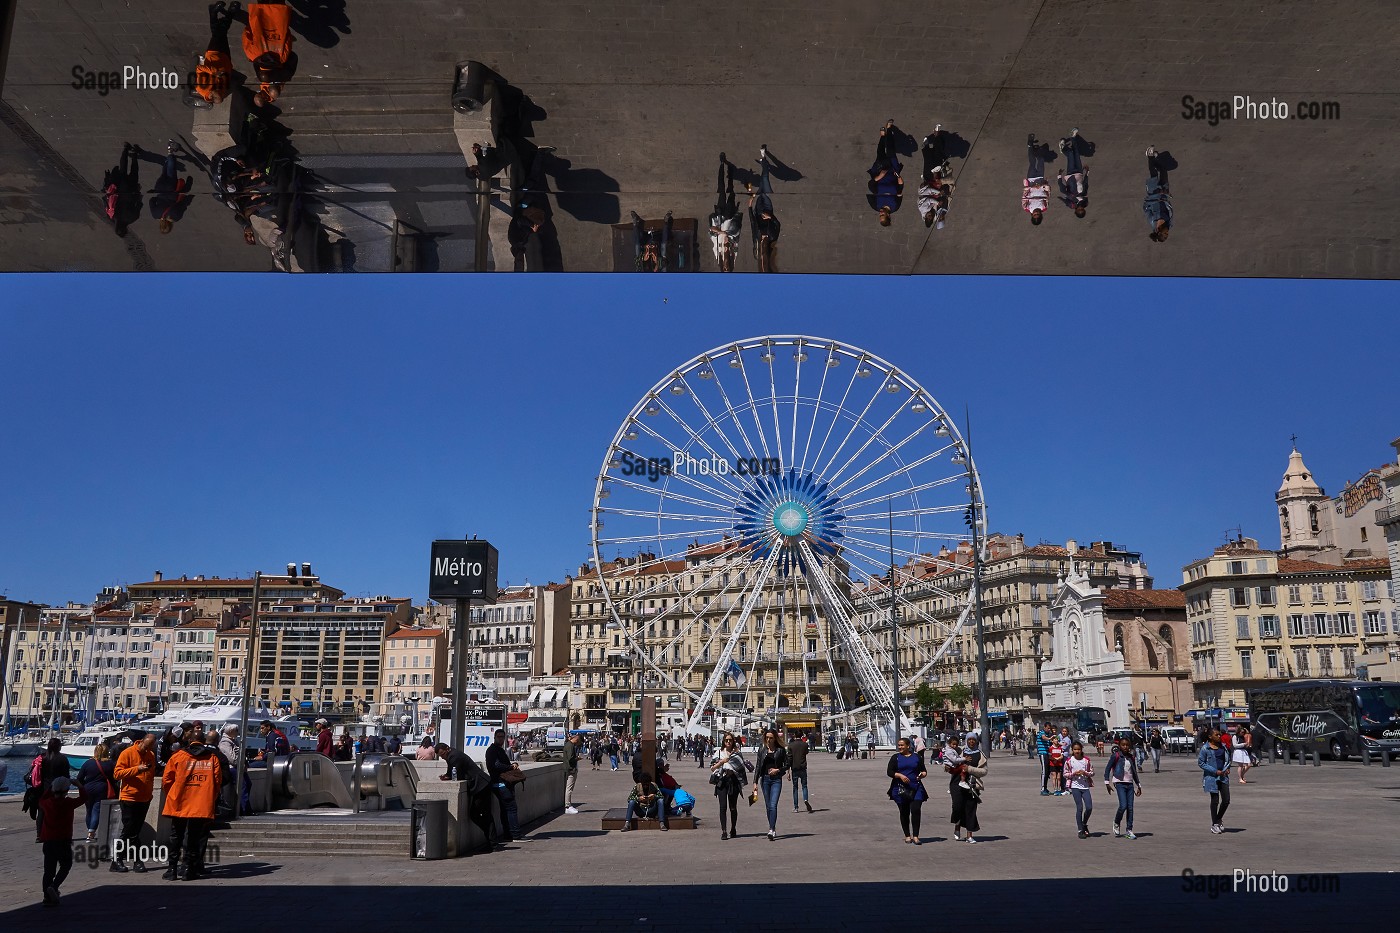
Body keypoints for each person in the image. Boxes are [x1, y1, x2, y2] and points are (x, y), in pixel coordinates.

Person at [161, 725, 222, 881]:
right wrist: (209, 796)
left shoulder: (178, 756)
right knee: (194, 838)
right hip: (201, 803)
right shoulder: (212, 757)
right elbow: (217, 781)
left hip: (180, 801)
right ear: (203, 742)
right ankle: (188, 869)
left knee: (176, 837)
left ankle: (172, 869)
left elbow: (167, 780)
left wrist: (174, 793)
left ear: (189, 740)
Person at [110, 732, 156, 873]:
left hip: (144, 798)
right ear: (141, 741)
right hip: (129, 797)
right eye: (146, 746)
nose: (146, 750)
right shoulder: (127, 753)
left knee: (134, 830)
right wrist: (137, 769)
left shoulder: (151, 755)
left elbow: (151, 775)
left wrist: (149, 793)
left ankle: (128, 860)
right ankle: (127, 860)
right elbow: (117, 774)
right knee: (130, 830)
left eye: (150, 747)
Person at [38, 776, 86, 907]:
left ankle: (46, 897)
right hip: (63, 840)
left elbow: (41, 799)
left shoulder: (47, 803)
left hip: (48, 840)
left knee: (48, 870)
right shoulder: (68, 803)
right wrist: (79, 785)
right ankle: (54, 886)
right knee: (66, 865)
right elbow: (84, 798)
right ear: (67, 790)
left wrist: (50, 787)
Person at [242, 0, 295, 106]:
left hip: (278, 14)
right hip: (261, 14)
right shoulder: (252, 54)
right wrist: (253, 27)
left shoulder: (281, 58)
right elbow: (246, 34)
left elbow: (288, 40)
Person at [191, 2, 238, 106]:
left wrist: (214, 72)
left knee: (218, 33)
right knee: (221, 33)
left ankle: (223, 12)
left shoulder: (201, 87)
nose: (220, 90)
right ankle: (216, 12)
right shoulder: (221, 92)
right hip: (225, 58)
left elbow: (199, 68)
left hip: (213, 55)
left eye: (218, 92)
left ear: (211, 95)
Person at [887, 737, 928, 844]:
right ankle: (907, 835)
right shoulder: (895, 757)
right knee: (904, 812)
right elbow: (890, 772)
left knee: (915, 810)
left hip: (916, 787)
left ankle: (916, 836)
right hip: (900, 788)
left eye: (902, 745)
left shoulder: (917, 757)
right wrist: (900, 775)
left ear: (908, 746)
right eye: (899, 745)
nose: (900, 747)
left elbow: (923, 771)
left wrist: (922, 775)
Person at [485, 729, 523, 843]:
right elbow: (496, 765)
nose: (501, 739)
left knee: (505, 809)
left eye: (502, 737)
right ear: (494, 737)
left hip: (499, 783)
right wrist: (510, 767)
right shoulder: (492, 750)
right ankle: (515, 834)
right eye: (499, 737)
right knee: (511, 808)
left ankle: (508, 834)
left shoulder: (498, 750)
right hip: (500, 783)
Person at [752, 728, 789, 841]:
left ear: (775, 738)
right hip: (765, 780)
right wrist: (755, 782)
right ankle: (772, 828)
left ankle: (771, 830)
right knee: (768, 806)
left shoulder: (780, 750)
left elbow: (787, 765)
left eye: (771, 738)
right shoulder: (762, 750)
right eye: (767, 738)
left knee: (773, 805)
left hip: (776, 780)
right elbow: (758, 766)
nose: (768, 740)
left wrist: (777, 770)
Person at [748, 145, 780, 272]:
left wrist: (750, 205)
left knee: (763, 183)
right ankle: (764, 159)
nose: (763, 244)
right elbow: (778, 224)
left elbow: (752, 222)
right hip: (767, 207)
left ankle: (764, 163)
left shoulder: (757, 235)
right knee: (764, 183)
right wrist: (770, 217)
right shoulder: (773, 236)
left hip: (758, 208)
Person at [709, 153, 743, 271]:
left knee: (722, 191)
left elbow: (711, 231)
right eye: (728, 268)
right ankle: (731, 175)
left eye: (724, 269)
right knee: (731, 193)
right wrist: (729, 235)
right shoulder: (734, 254)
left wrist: (721, 232)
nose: (726, 267)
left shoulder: (718, 254)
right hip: (730, 217)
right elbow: (737, 233)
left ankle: (722, 164)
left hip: (720, 216)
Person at [710, 733, 748, 840]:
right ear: (723, 741)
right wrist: (722, 762)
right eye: (726, 740)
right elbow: (712, 768)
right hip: (722, 781)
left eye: (730, 740)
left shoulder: (737, 753)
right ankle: (724, 831)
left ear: (733, 741)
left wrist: (734, 772)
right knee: (723, 807)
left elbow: (741, 768)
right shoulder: (718, 753)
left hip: (733, 781)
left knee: (733, 807)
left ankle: (733, 828)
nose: (728, 742)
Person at [866, 121, 904, 226]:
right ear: (888, 216)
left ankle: (883, 137)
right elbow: (900, 190)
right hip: (892, 172)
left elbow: (871, 186)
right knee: (891, 151)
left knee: (880, 153)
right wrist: (899, 177)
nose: (880, 213)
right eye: (883, 215)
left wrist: (879, 177)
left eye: (880, 215)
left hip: (880, 172)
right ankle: (890, 129)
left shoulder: (875, 205)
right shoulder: (895, 206)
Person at [950, 734, 986, 843]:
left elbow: (984, 771)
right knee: (957, 806)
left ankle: (969, 835)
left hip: (972, 785)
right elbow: (949, 761)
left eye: (973, 740)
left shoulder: (980, 754)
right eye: (969, 740)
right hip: (957, 783)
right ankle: (957, 825)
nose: (971, 742)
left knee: (970, 809)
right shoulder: (959, 751)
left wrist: (969, 769)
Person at [76, 744, 115, 843]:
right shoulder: (110, 764)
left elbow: (79, 778)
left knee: (88, 810)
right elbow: (114, 779)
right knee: (96, 810)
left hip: (87, 789)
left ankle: (90, 830)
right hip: (102, 789)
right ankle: (91, 833)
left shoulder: (88, 763)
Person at [1104, 737, 1142, 839]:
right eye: (1123, 745)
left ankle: (1129, 830)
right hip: (1119, 783)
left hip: (1129, 784)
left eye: (1127, 745)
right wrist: (1107, 783)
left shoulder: (1131, 757)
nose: (1125, 747)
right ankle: (1117, 822)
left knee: (1130, 807)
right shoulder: (1115, 756)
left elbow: (1134, 772)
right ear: (1119, 746)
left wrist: (1138, 785)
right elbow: (1107, 769)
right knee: (1123, 805)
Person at [103, 143, 144, 237]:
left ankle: (134, 155)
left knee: (134, 171)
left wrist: (138, 192)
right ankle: (125, 150)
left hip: (131, 191)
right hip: (120, 190)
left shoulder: (132, 218)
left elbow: (139, 204)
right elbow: (106, 202)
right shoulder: (112, 217)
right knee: (123, 169)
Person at [1199, 728, 1232, 834]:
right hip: (1211, 777)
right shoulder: (1205, 748)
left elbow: (1227, 759)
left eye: (1219, 735)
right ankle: (1215, 824)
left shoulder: (1223, 747)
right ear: (1210, 737)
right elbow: (1201, 763)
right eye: (1216, 735)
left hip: (1223, 776)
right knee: (1215, 801)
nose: (1219, 736)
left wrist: (1227, 768)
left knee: (1226, 800)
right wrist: (1214, 771)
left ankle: (1218, 819)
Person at [1063, 741, 1094, 838]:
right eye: (1075, 749)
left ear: (1081, 750)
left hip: (1085, 786)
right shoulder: (1069, 761)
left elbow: (1092, 772)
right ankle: (1080, 829)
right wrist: (1073, 774)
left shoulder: (1086, 760)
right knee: (1079, 807)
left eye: (1079, 749)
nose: (1077, 751)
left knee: (1089, 807)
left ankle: (1084, 824)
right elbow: (1065, 774)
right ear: (1072, 750)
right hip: (1075, 786)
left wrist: (1085, 773)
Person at [1056, 128, 1088, 217]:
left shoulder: (1072, 203)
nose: (1080, 208)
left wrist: (1059, 176)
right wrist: (1087, 173)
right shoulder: (1085, 201)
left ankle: (1063, 148)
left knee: (1070, 154)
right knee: (1076, 153)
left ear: (1076, 211)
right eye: (1082, 210)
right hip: (1080, 173)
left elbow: (1062, 190)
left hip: (1070, 175)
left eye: (1079, 210)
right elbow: (1086, 185)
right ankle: (1073, 137)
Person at [1143, 146, 1173, 241]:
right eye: (1167, 233)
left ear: (1159, 231)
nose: (1167, 231)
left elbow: (1145, 208)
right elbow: (1170, 210)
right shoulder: (1169, 223)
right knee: (1164, 171)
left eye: (1165, 232)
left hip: (1153, 194)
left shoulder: (1152, 221)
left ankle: (1150, 156)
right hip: (1164, 194)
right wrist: (1166, 196)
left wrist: (1153, 198)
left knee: (1154, 174)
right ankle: (1155, 160)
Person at [1022, 135, 1051, 225]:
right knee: (1041, 159)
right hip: (1040, 179)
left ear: (1032, 215)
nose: (1036, 213)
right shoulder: (1044, 207)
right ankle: (1037, 151)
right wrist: (1044, 185)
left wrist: (1032, 186)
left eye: (1035, 215)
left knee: (1032, 162)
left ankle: (1030, 145)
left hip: (1031, 179)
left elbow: (1024, 194)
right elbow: (1048, 193)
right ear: (1041, 215)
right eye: (1038, 214)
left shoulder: (1026, 208)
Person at [787, 730, 813, 813]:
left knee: (795, 788)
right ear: (802, 736)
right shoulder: (805, 745)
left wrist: (788, 771)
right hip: (802, 767)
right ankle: (805, 799)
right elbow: (806, 753)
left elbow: (789, 759)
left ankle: (796, 807)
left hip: (794, 768)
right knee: (804, 786)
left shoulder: (791, 745)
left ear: (794, 735)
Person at [563, 733, 581, 814]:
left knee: (569, 788)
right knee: (569, 788)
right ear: (576, 739)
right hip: (571, 769)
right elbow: (570, 758)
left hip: (570, 768)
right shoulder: (570, 746)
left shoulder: (568, 745)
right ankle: (568, 806)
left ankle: (568, 805)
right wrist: (577, 758)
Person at [1036, 727, 1052, 794]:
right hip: (1042, 753)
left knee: (1048, 771)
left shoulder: (1048, 735)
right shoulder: (1041, 733)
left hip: (1047, 754)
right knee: (1044, 771)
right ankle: (1043, 788)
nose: (1049, 730)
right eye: (1048, 728)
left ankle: (1045, 787)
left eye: (1049, 728)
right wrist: (1049, 738)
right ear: (1044, 727)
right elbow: (1043, 737)